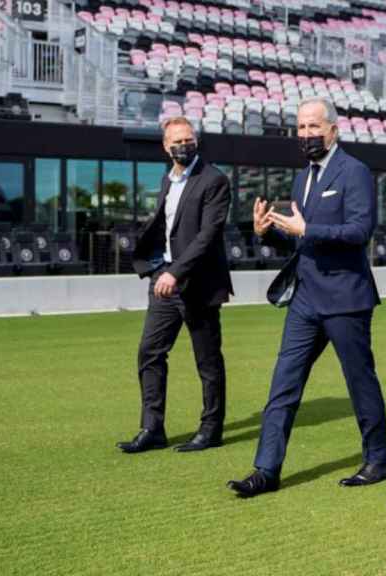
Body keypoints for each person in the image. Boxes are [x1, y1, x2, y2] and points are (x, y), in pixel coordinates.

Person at [227, 97, 386, 497]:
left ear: (332, 129)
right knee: (283, 385)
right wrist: (269, 230)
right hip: (305, 299)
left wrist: (306, 231)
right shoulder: (303, 178)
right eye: (300, 128)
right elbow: (302, 239)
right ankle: (266, 470)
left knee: (360, 383)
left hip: (346, 299)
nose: (306, 135)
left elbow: (359, 232)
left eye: (313, 127)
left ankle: (378, 459)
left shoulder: (355, 172)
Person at [117, 116, 234, 454]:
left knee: (207, 362)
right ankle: (152, 428)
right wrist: (157, 269)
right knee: (149, 353)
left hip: (197, 283)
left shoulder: (214, 180)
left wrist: (175, 273)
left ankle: (211, 429)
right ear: (166, 147)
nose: (185, 144)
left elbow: (207, 237)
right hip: (164, 281)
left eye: (189, 138)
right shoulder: (168, 180)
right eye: (178, 141)